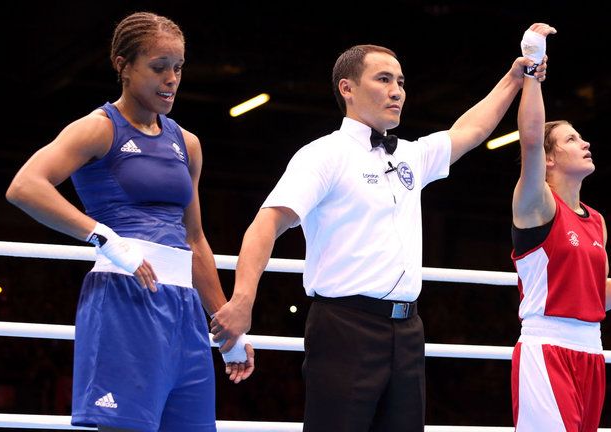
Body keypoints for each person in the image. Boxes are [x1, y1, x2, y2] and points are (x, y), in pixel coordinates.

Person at [210, 24, 549, 431]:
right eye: (384, 79)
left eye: (401, 82)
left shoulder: (410, 155)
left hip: (408, 330)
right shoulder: (324, 154)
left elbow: (470, 130)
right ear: (347, 88)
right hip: (344, 325)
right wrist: (243, 299)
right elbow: (265, 224)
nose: (397, 91)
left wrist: (515, 77)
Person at [5, 11, 253, 432]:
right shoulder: (99, 129)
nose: (171, 79)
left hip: (184, 312)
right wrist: (103, 237)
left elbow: (195, 239)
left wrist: (227, 328)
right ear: (123, 66)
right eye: (158, 67)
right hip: (125, 297)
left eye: (178, 67)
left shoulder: (187, 143)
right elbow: (25, 186)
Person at [510, 24, 611, 431]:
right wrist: (532, 70)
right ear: (549, 159)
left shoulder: (596, 220)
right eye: (571, 139)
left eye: (581, 137)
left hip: (592, 351)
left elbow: (599, 297)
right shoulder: (535, 204)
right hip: (546, 349)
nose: (585, 143)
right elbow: (531, 141)